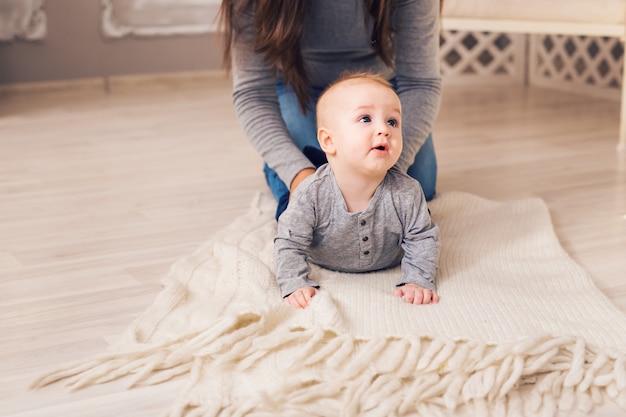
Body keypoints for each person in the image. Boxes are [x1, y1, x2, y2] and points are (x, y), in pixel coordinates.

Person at [218, 0, 442, 219]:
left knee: (419, 180)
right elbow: (253, 93)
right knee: (316, 179)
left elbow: (420, 83)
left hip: (380, 89)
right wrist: (299, 175)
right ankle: (281, 158)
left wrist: (387, 173)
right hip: (300, 88)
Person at [274, 72, 440, 309]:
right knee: (285, 214)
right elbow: (289, 243)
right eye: (365, 119)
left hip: (389, 249)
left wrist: (417, 279)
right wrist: (294, 282)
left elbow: (423, 237)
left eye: (392, 121)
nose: (384, 129)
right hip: (314, 226)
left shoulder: (407, 191)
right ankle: (297, 166)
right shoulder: (311, 193)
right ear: (329, 141)